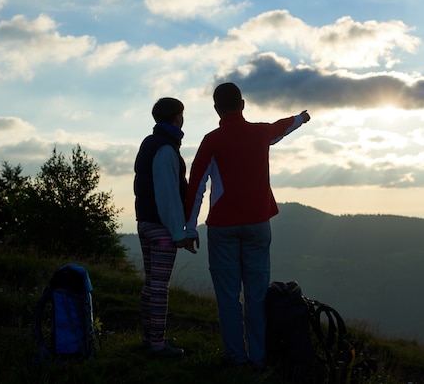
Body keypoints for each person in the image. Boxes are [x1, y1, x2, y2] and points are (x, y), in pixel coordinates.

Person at [184, 82, 310, 370]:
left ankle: (235, 357)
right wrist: (301, 118)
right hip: (258, 224)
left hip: (223, 227)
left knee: (228, 296)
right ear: (242, 104)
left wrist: (189, 229)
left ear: (217, 109)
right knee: (256, 294)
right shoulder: (259, 133)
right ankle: (258, 357)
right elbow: (282, 126)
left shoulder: (212, 140)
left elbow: (197, 185)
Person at [133, 97, 197, 357]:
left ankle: (150, 337)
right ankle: (157, 343)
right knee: (160, 287)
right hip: (161, 228)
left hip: (145, 222)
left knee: (150, 284)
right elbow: (168, 193)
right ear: (176, 117)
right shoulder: (167, 149)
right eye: (182, 114)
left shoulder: (150, 143)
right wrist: (178, 232)